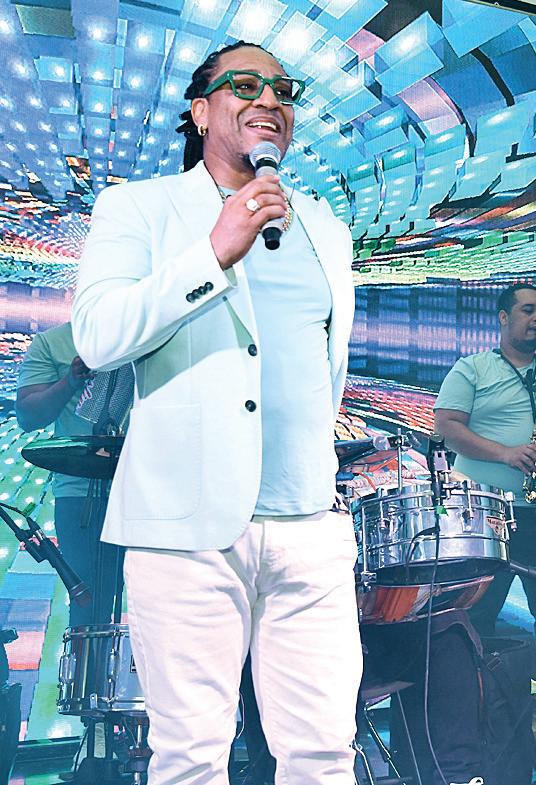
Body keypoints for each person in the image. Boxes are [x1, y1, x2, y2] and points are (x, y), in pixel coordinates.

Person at [72, 40, 361, 785]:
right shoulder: (140, 208)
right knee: (192, 761)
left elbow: (323, 367)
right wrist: (214, 251)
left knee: (325, 756)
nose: (269, 100)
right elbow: (98, 337)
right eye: (245, 85)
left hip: (309, 526)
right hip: (187, 531)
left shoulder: (325, 227)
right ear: (201, 112)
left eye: (283, 90)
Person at [434, 283, 536, 636]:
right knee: (474, 618)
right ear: (503, 317)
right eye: (528, 310)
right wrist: (506, 453)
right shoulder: (472, 368)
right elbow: (446, 428)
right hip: (483, 514)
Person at [16, 321, 117, 627]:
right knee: (89, 604)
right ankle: (89, 660)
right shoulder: (52, 342)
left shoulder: (158, 333)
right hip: (80, 495)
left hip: (155, 492)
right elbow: (28, 416)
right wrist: (70, 381)